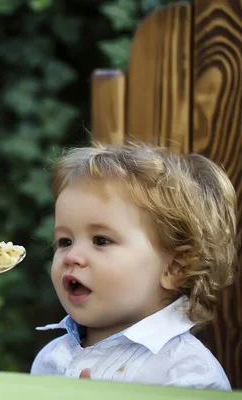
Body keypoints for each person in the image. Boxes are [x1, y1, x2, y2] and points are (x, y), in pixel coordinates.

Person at [30, 142, 236, 391]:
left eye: (101, 240)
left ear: (174, 268)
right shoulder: (51, 359)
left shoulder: (186, 374)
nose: (72, 256)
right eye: (64, 241)